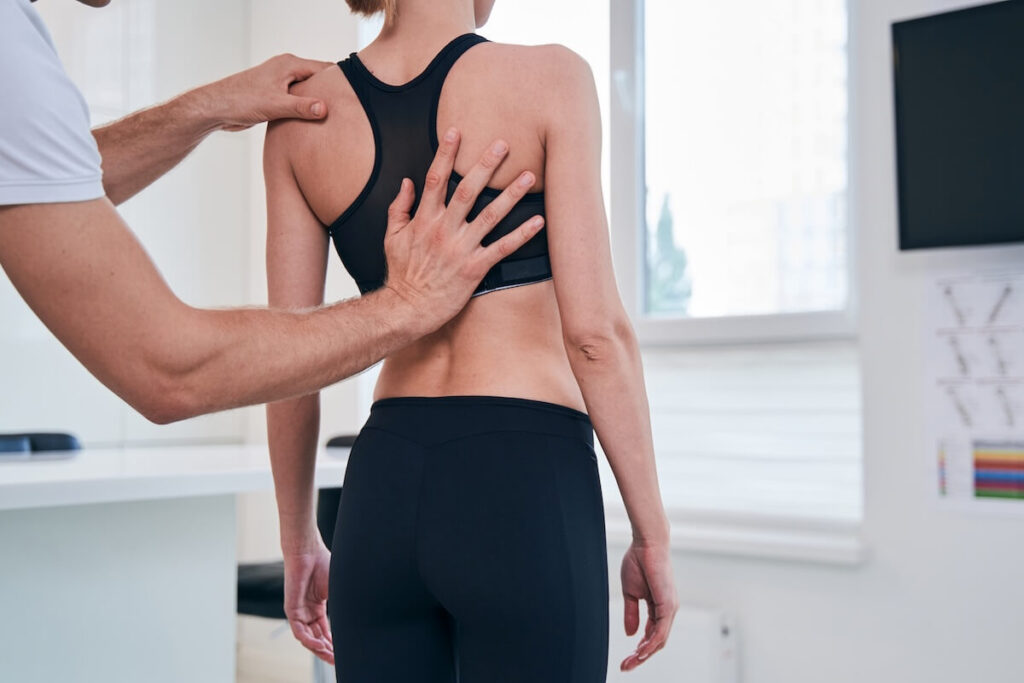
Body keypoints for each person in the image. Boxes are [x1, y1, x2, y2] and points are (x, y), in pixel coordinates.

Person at [262, 0, 679, 680]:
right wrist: (651, 533)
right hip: (524, 478)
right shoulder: (551, 78)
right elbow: (596, 335)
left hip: (383, 487)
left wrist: (298, 538)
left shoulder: (302, 120)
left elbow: (287, 362)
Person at [0, 0, 542, 422]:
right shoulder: (549, 79)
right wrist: (407, 302)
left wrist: (205, 108)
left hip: (390, 458)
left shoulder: (304, 129)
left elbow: (45, 175)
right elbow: (167, 370)